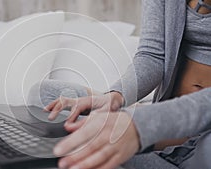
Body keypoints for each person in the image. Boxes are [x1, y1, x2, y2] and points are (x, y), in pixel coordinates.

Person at [28, 0, 211, 168]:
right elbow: (153, 55)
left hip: (200, 137)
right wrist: (115, 97)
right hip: (161, 120)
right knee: (44, 95)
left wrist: (141, 124)